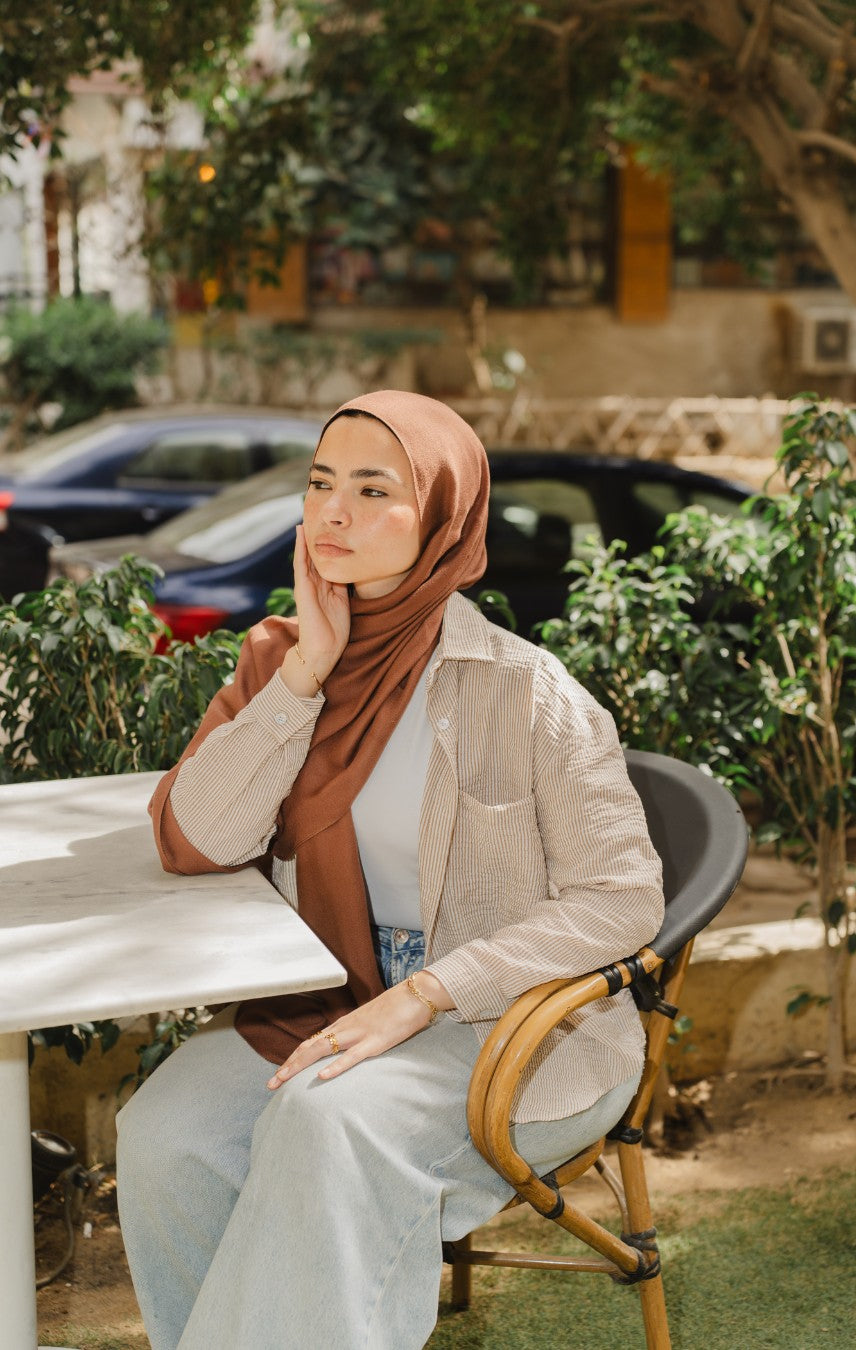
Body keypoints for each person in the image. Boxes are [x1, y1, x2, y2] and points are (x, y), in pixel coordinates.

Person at [116, 390, 665, 1350]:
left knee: (329, 1126)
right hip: (328, 1009)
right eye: (322, 484)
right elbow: (194, 837)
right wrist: (302, 680)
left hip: (508, 1024)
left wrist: (427, 996)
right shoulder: (276, 664)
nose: (334, 513)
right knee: (166, 1133)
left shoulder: (524, 690)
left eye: (375, 491)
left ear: (444, 518)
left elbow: (623, 896)